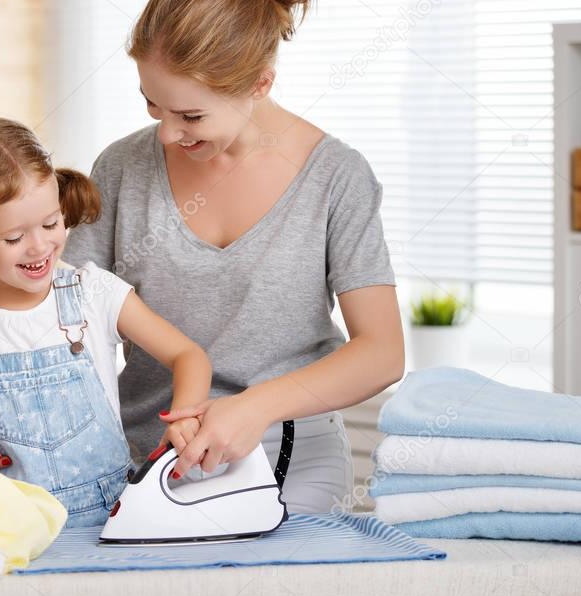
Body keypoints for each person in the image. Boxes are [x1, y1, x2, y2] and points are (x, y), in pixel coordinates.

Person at [62, 0, 405, 514]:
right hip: (144, 457)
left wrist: (255, 407)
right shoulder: (121, 168)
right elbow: (65, 320)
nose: (167, 133)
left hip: (287, 449)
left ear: (260, 84)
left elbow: (383, 352)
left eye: (190, 115)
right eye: (153, 105)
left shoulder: (337, 178)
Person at [0, 117, 212, 527]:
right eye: (14, 238)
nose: (40, 246)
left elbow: (189, 355)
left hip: (116, 522)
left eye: (51, 223)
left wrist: (185, 414)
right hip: (11, 531)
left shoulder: (94, 293)